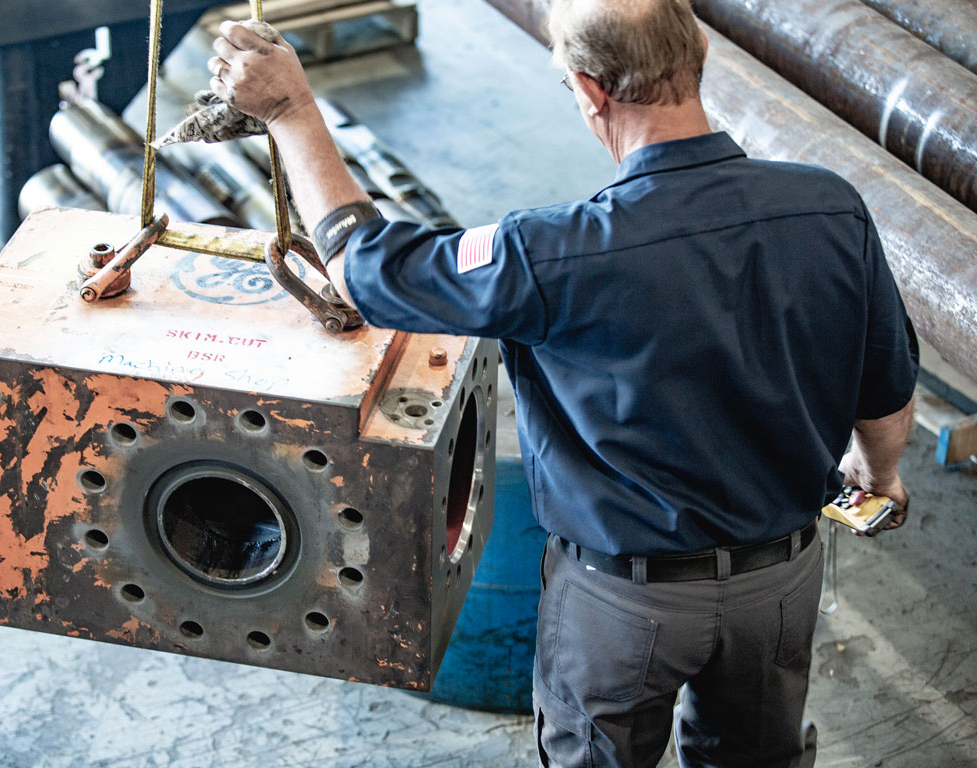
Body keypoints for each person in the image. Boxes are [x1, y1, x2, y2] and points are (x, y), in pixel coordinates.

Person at [204, 0, 919, 764]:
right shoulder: (829, 207)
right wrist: (879, 477)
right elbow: (885, 390)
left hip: (627, 604)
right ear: (699, 51)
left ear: (588, 91)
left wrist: (289, 109)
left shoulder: (550, 253)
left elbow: (369, 268)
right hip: (780, 585)